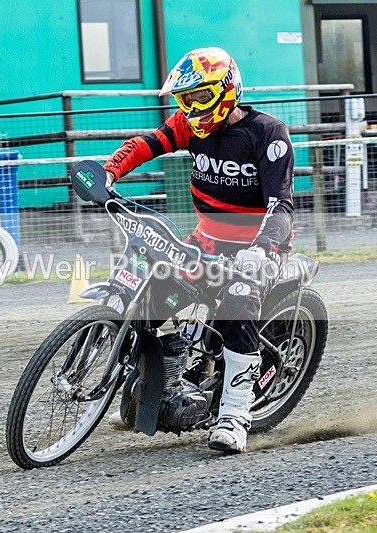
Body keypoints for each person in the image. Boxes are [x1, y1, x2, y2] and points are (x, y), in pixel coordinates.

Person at [103, 47, 294, 453]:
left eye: (199, 97)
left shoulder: (268, 133)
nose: (190, 108)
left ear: (226, 91)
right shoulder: (189, 126)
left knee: (238, 300)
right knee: (149, 285)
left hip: (259, 248)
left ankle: (234, 418)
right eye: (184, 100)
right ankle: (152, 380)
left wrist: (261, 248)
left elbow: (281, 205)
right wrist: (108, 172)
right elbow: (146, 143)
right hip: (204, 242)